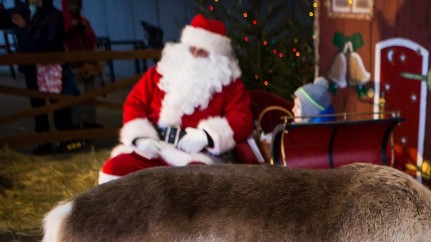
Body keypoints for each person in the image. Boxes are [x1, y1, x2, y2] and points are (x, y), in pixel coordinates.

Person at [98, 14, 253, 184]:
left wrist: (207, 137)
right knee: (115, 170)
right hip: (154, 147)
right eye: (191, 47)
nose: (194, 54)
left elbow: (242, 120)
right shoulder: (161, 72)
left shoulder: (228, 84)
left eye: (202, 51)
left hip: (193, 155)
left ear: (217, 56)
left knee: (194, 186)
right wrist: (140, 137)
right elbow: (135, 103)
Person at [1, 0, 77, 154]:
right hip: (31, 68)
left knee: (58, 105)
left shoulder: (54, 15)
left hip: (51, 68)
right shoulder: (22, 10)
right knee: (37, 106)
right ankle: (44, 143)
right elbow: (3, 20)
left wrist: (26, 27)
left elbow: (53, 42)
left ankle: (65, 139)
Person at [62, 0, 102, 129]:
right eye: (72, 4)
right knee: (77, 94)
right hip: (74, 65)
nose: (75, 7)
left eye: (77, 4)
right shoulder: (62, 22)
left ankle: (90, 121)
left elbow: (92, 40)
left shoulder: (84, 21)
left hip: (88, 63)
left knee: (90, 92)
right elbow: (63, 40)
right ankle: (77, 124)